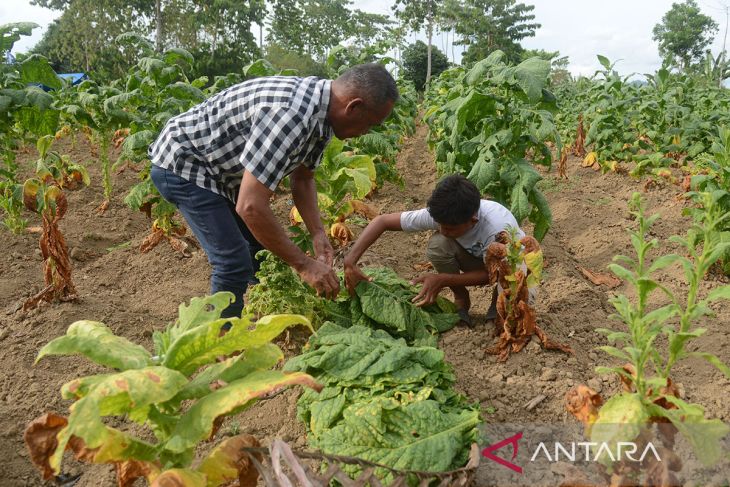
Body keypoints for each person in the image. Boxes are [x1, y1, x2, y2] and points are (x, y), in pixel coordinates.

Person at [149, 63, 398, 318]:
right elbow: (250, 206)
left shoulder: (323, 114)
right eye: (369, 124)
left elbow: (302, 178)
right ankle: (221, 343)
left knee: (259, 252)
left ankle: (269, 311)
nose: (366, 132)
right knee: (232, 261)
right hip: (185, 162)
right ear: (353, 106)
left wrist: (318, 233)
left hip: (221, 170)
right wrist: (305, 266)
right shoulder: (292, 115)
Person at [344, 174, 525, 326]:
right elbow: (382, 221)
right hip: (477, 258)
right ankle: (461, 298)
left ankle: (497, 303)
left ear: (473, 221)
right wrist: (350, 261)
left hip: (511, 269)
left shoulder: (497, 229)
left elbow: (495, 274)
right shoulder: (443, 214)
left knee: (504, 319)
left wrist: (443, 279)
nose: (444, 231)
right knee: (439, 244)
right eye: (440, 225)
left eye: (450, 228)